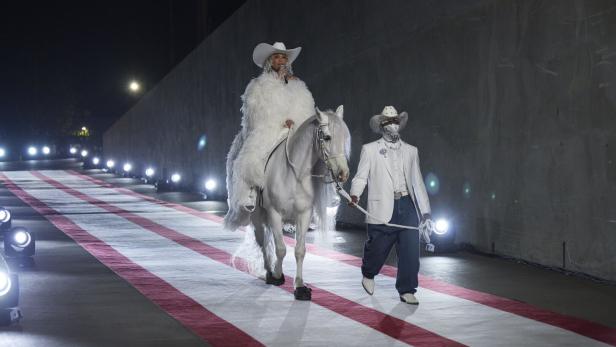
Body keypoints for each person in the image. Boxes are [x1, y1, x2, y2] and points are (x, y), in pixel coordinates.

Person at [224, 42, 315, 230]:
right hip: (270, 127)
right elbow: (254, 110)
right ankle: (249, 193)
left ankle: (310, 204)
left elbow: (306, 110)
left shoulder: (298, 84)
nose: (281, 60)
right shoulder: (258, 85)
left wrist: (295, 122)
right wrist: (280, 121)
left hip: (294, 130)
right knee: (253, 153)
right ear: (269, 61)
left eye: (283, 57)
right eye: (277, 57)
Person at [349, 106, 433, 304]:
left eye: (395, 121)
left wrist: (426, 212)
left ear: (400, 124)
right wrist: (354, 195)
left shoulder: (412, 151)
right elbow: (361, 177)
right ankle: (368, 273)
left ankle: (407, 289)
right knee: (377, 246)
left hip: (407, 204)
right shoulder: (370, 150)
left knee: (410, 250)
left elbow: (418, 182)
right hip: (383, 205)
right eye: (388, 121)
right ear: (381, 125)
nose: (392, 125)